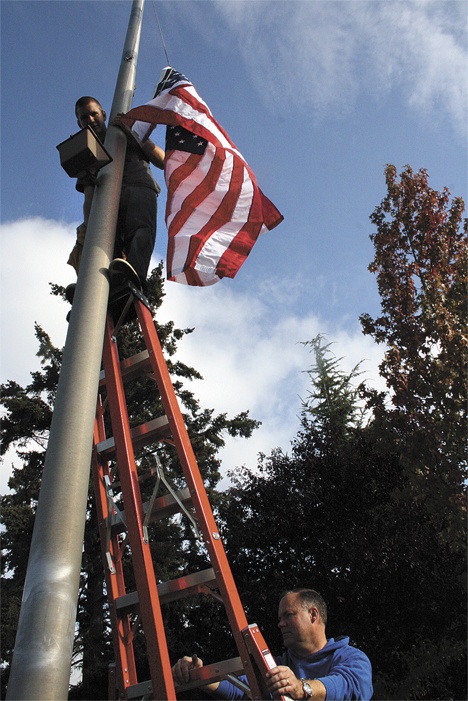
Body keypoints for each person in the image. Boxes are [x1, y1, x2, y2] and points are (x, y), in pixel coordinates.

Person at [172, 588, 373, 700]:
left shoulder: (352, 658)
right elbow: (240, 686)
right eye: (280, 617)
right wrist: (200, 674)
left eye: (288, 615)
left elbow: (347, 687)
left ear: (313, 615)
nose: (280, 623)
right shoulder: (276, 666)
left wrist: (301, 688)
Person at [67, 96, 165, 294]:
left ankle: (135, 277)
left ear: (103, 114)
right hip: (106, 199)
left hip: (138, 187)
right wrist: (88, 224)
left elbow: (162, 160)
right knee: (104, 242)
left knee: (140, 231)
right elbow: (88, 195)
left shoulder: (124, 130)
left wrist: (133, 132)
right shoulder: (86, 148)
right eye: (84, 117)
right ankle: (95, 285)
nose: (91, 120)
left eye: (94, 114)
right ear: (79, 123)